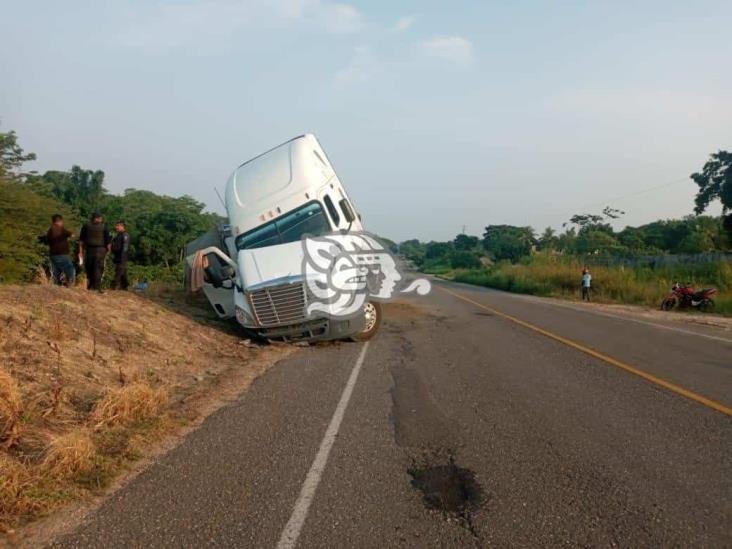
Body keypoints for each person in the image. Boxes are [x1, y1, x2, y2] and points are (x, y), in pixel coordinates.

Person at [78, 211, 111, 292]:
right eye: (100, 218)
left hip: (89, 250)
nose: (100, 219)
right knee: (98, 269)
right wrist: (109, 251)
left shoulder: (86, 226)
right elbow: (108, 242)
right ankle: (97, 288)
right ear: (97, 218)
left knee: (90, 268)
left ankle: (90, 287)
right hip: (100, 250)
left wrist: (80, 251)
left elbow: (81, 241)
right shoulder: (104, 227)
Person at [43, 214, 75, 286]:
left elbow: (47, 241)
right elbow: (72, 235)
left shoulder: (50, 230)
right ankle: (70, 284)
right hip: (63, 254)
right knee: (70, 269)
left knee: (56, 271)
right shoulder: (61, 229)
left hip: (53, 255)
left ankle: (57, 285)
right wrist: (68, 238)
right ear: (60, 221)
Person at [111, 221, 130, 290]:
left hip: (122, 257)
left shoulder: (125, 235)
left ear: (122, 226)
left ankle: (115, 286)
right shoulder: (118, 235)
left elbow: (125, 247)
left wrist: (122, 257)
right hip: (117, 257)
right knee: (123, 272)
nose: (116, 227)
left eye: (118, 226)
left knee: (118, 271)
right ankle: (125, 286)